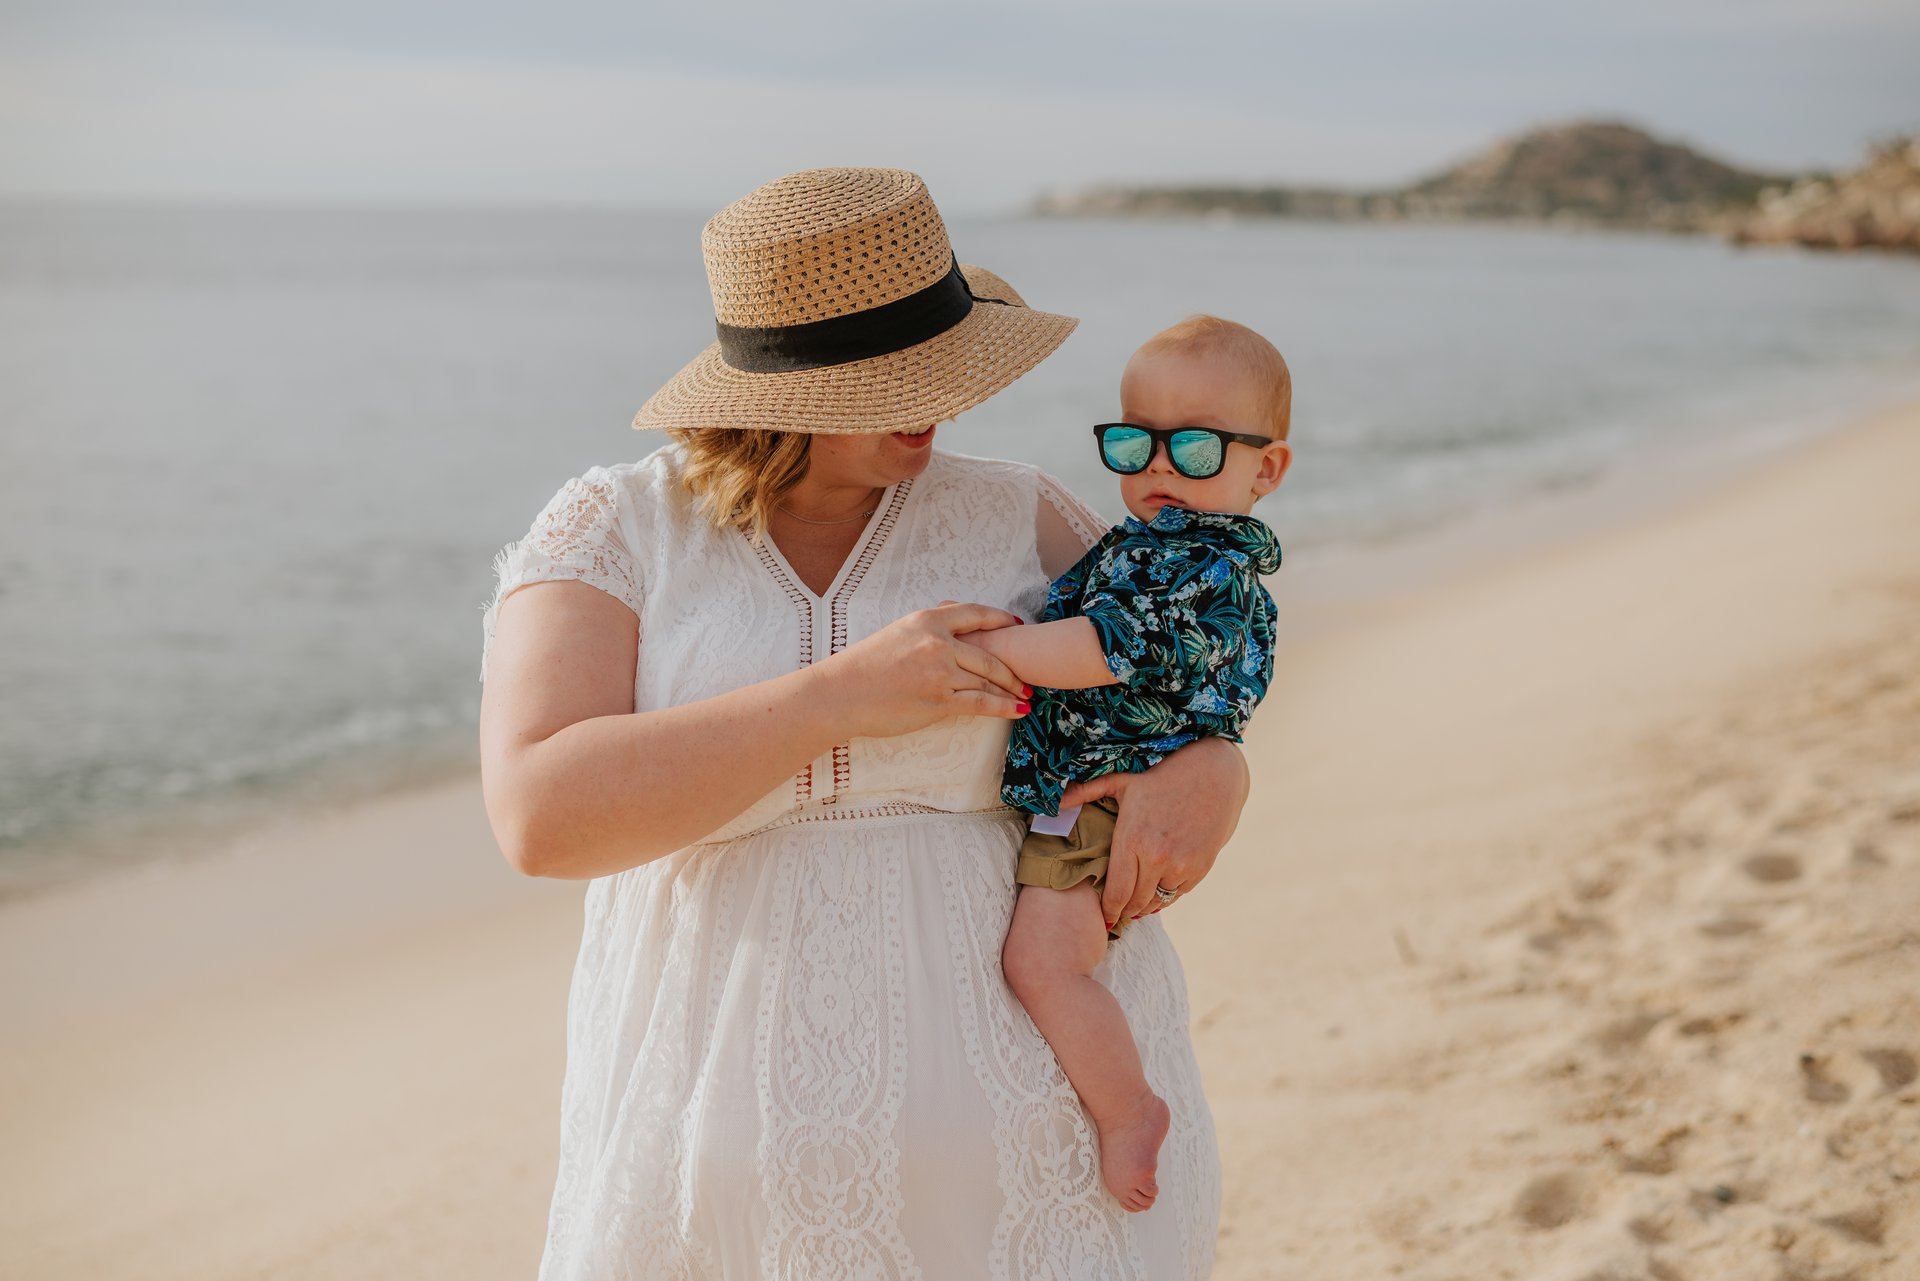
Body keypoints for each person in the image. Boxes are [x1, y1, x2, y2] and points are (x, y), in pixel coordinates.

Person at [478, 167, 1245, 1280]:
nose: (938, 402)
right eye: (891, 378)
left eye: (943, 365)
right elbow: (541, 819)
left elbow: (1186, 666)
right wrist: (842, 694)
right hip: (713, 1131)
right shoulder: (620, 525)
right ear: (786, 395)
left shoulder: (1017, 509)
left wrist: (1220, 770)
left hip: (1040, 1129)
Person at [960, 316, 1292, 1214]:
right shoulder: (1160, 547)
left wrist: (993, 651)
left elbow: (1109, 647)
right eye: (1133, 441)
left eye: (1192, 446)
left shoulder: (1206, 567)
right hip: (1107, 786)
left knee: (1046, 964)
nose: (1157, 468)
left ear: (1266, 469)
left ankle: (1126, 1111)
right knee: (1052, 961)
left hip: (1115, 799)